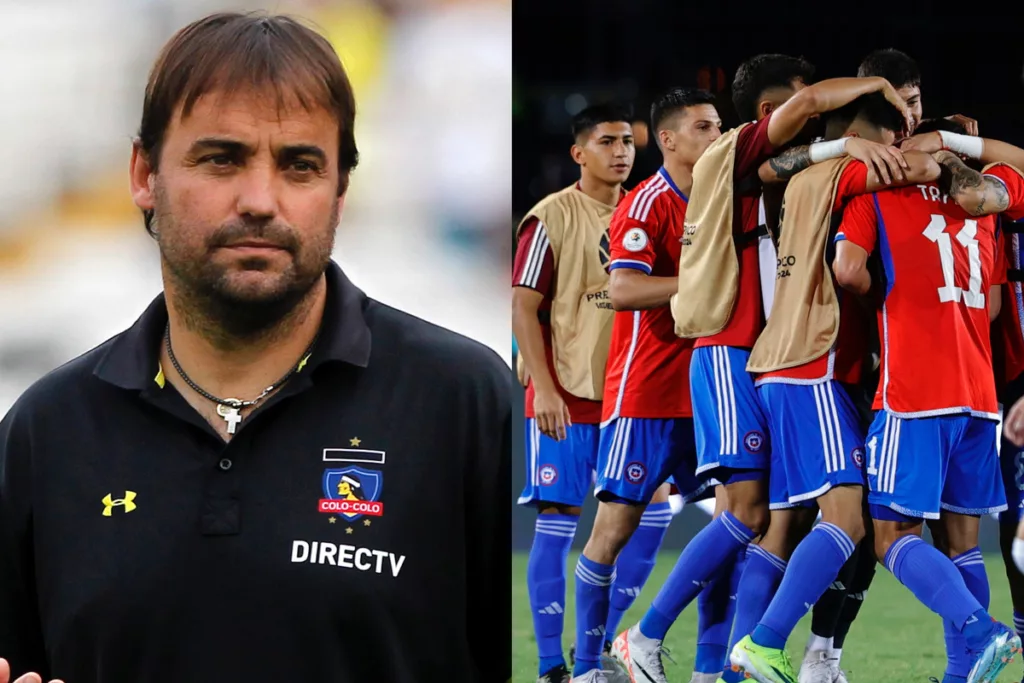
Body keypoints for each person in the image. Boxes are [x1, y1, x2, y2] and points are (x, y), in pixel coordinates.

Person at [0, 12, 510, 683]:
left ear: (341, 191)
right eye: (222, 158)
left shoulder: (465, 402)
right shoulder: (48, 431)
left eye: (300, 166)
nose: (261, 200)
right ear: (144, 174)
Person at [612, 54, 912, 683]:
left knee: (781, 520)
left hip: (766, 357)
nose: (818, 114)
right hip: (727, 348)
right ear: (771, 112)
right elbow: (805, 117)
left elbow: (803, 158)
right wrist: (875, 93)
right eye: (807, 102)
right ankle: (644, 634)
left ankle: (731, 667)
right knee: (745, 515)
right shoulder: (736, 156)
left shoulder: (773, 173)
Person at [728, 94, 941, 682]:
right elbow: (922, 169)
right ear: (884, 136)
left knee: (787, 524)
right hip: (813, 361)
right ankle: (762, 645)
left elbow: (766, 167)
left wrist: (838, 143)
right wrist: (944, 145)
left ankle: (747, 665)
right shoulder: (853, 171)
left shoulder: (798, 176)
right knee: (847, 520)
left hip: (784, 360)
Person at [830, 145, 1020, 683]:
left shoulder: (878, 195)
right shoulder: (985, 204)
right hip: (979, 396)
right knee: (962, 545)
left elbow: (847, 271)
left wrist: (885, 299)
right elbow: (995, 306)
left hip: (913, 393)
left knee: (891, 538)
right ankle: (963, 678)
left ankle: (982, 630)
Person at [570, 87, 727, 683]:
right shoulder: (646, 203)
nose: (716, 137)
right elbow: (624, 291)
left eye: (718, 126)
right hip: (645, 395)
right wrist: (698, 285)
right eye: (704, 127)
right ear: (668, 139)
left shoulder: (717, 199)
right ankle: (590, 667)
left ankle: (709, 669)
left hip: (710, 392)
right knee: (613, 530)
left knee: (735, 524)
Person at [512, 103, 638, 683]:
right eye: (607, 141)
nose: (620, 151)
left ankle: (603, 650)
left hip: (632, 398)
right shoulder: (551, 217)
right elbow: (523, 304)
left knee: (647, 515)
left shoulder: (646, 210)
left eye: (627, 142)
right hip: (567, 393)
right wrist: (541, 385)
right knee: (558, 520)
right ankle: (548, 667)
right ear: (578, 152)